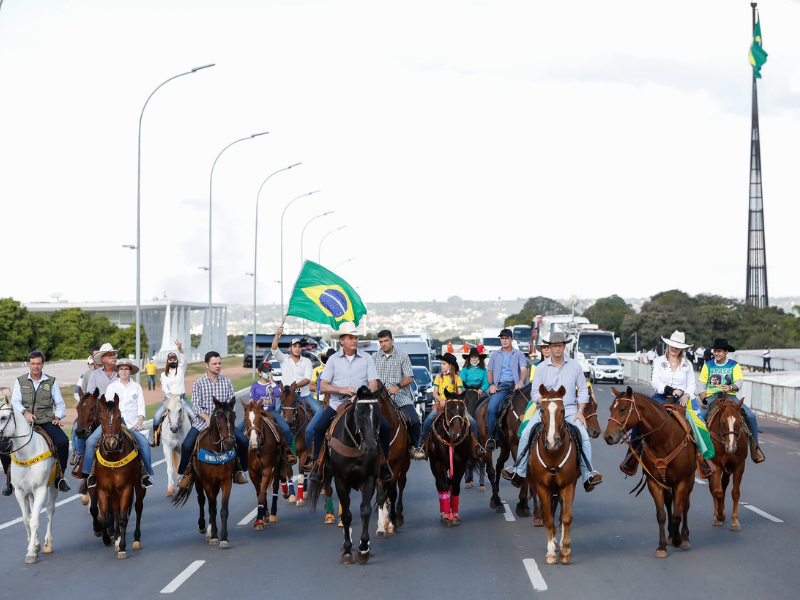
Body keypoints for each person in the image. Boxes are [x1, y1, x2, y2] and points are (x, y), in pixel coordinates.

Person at [501, 332, 602, 492]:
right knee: (526, 432)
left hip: (569, 410)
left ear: (564, 346)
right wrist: (547, 402)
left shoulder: (575, 366)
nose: (557, 348)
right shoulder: (541, 367)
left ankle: (588, 474)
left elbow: (583, 390)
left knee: (583, 435)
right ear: (550, 347)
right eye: (554, 345)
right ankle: (518, 470)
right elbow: (534, 393)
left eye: (560, 345)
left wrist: (580, 411)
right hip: (545, 412)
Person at [307, 321, 391, 483]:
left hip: (363, 404)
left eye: (356, 337)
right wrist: (343, 390)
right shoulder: (333, 360)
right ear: (342, 341)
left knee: (385, 427)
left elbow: (373, 383)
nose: (355, 340)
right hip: (337, 404)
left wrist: (362, 396)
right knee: (318, 428)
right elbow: (323, 387)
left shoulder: (367, 358)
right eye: (351, 337)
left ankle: (383, 464)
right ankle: (318, 464)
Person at [620, 331, 705, 476]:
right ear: (668, 345)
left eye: (678, 346)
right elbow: (655, 381)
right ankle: (631, 457)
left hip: (683, 399)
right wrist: (668, 389)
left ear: (682, 348)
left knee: (698, 424)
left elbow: (692, 384)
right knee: (640, 419)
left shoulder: (687, 364)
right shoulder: (658, 361)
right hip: (661, 396)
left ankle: (703, 460)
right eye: (672, 345)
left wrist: (686, 395)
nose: (674, 348)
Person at [2, 351, 71, 496]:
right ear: (29, 364)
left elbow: (60, 404)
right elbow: (15, 401)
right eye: (33, 364)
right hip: (23, 423)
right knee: (3, 444)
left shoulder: (51, 381)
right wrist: (25, 413)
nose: (35, 367)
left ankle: (61, 476)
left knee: (63, 442)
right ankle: (9, 480)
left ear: (42, 364)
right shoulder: (20, 380)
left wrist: (57, 417)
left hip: (46, 421)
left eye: (38, 363)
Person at [177, 352, 250, 489]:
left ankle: (240, 470)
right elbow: (196, 407)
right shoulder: (198, 384)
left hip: (224, 424)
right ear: (207, 365)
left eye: (219, 363)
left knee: (244, 441)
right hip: (203, 423)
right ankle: (184, 474)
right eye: (214, 364)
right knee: (186, 445)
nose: (218, 366)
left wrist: (227, 419)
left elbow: (231, 405)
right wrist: (207, 418)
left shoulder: (227, 382)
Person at [82, 359, 154, 489]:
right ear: (118, 372)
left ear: (130, 371)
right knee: (91, 441)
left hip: (132, 422)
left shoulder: (136, 387)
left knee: (143, 443)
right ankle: (89, 474)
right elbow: (107, 407)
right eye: (121, 369)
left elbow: (141, 407)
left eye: (126, 369)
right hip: (113, 422)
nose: (123, 372)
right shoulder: (112, 387)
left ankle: (146, 474)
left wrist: (139, 421)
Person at [698, 339, 765, 463]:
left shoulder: (734, 365)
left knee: (750, 416)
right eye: (715, 351)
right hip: (712, 397)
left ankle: (754, 448)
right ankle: (697, 451)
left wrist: (731, 387)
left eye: (719, 351)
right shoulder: (708, 365)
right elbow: (701, 385)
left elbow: (739, 382)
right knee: (699, 417)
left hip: (730, 396)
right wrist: (703, 398)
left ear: (726, 352)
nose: (716, 354)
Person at [373, 330, 425, 460]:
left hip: (400, 395)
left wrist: (398, 386)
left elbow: (409, 378)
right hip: (379, 396)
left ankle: (414, 446)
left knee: (415, 420)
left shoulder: (403, 356)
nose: (383, 344)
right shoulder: (374, 357)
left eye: (385, 341)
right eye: (381, 342)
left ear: (392, 341)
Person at [420, 353, 483, 457]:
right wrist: (441, 399)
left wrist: (460, 403)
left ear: (450, 365)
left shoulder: (457, 378)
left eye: (444, 364)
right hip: (441, 405)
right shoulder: (438, 378)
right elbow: (435, 393)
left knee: (472, 421)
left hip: (455, 406)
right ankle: (423, 445)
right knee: (427, 421)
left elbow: (460, 394)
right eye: (441, 364)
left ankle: (476, 445)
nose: (441, 366)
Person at [237, 361, 297, 464]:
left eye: (269, 371)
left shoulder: (273, 384)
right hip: (258, 411)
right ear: (260, 373)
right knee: (238, 429)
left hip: (271, 410)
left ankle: (288, 451)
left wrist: (272, 381)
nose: (268, 373)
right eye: (265, 372)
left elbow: (278, 394)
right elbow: (252, 398)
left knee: (286, 428)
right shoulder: (255, 385)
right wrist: (251, 402)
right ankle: (236, 453)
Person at [485, 328, 528, 451]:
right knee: (491, 409)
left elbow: (524, 370)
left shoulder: (519, 354)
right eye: (502, 338)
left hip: (516, 386)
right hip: (501, 386)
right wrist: (491, 384)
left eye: (506, 338)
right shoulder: (495, 355)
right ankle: (492, 437)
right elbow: (490, 372)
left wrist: (520, 382)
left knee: (531, 406)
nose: (504, 340)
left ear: (511, 339)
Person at [150, 340, 195, 446]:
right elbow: (164, 387)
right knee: (156, 416)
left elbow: (184, 358)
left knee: (193, 415)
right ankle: (155, 438)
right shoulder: (163, 374)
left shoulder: (181, 369)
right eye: (170, 359)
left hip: (182, 398)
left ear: (176, 360)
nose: (172, 360)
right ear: (168, 361)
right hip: (169, 399)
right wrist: (169, 394)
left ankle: (196, 438)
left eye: (174, 359)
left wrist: (180, 348)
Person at [271, 328, 320, 416]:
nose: (297, 348)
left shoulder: (307, 361)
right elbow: (274, 349)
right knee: (274, 414)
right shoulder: (284, 359)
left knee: (320, 412)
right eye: (294, 346)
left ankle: (317, 430)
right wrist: (277, 334)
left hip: (304, 394)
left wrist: (295, 386)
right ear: (290, 348)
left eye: (299, 346)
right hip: (287, 396)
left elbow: (307, 379)